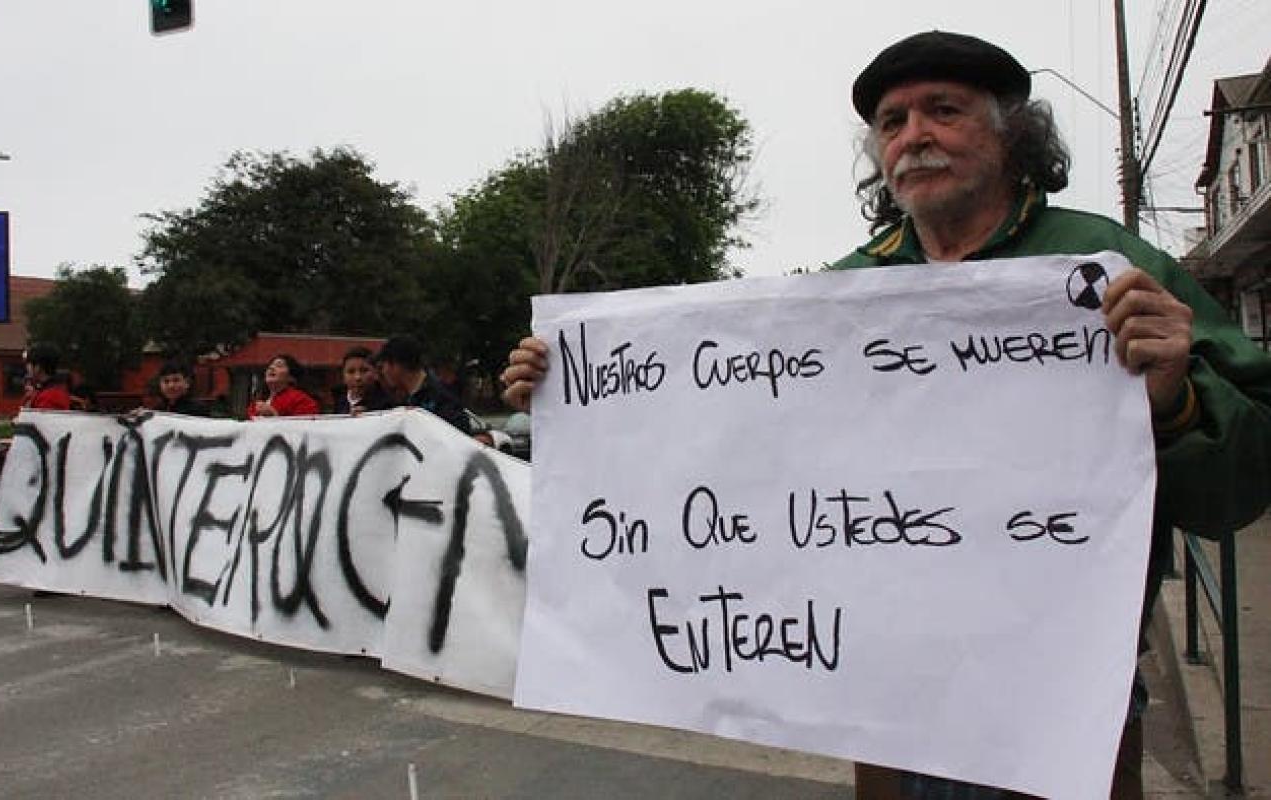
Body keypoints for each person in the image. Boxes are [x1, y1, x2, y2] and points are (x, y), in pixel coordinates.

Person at [502, 30, 1271, 800]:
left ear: (1010, 134)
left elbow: (1239, 489)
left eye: (944, 110)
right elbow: (722, 460)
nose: (914, 136)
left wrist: (1175, 401)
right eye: (892, 122)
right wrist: (570, 394)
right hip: (884, 709)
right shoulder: (840, 296)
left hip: (1060, 707)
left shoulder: (1107, 266)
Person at [375, 335, 471, 435]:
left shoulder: (442, 401)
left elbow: (459, 436)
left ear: (396, 366)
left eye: (383, 366)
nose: (383, 372)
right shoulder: (399, 400)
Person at [246, 354, 320, 418]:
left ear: (291, 377)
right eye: (269, 367)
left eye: (279, 366)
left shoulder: (302, 401)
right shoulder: (255, 403)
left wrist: (274, 415)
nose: (271, 368)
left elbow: (304, 427)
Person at [331, 346, 389, 415]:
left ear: (376, 372)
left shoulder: (388, 403)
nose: (357, 377)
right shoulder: (338, 402)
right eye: (351, 372)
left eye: (364, 370)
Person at [21, 342, 72, 411]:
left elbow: (37, 417)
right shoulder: (43, 390)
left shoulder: (52, 396)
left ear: (38, 367)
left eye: (28, 363)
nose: (27, 367)